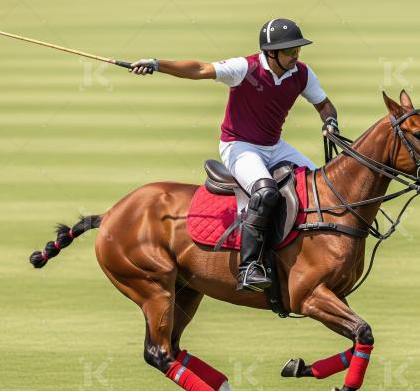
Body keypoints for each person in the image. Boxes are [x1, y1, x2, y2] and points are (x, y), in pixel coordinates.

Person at [129, 18, 339, 292]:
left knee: (320, 186)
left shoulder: (301, 73)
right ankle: (249, 267)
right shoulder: (245, 68)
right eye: (290, 50)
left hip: (274, 146)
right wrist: (158, 64)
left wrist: (330, 122)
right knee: (265, 192)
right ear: (271, 52)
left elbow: (324, 105)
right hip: (239, 146)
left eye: (297, 49)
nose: (296, 55)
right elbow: (200, 69)